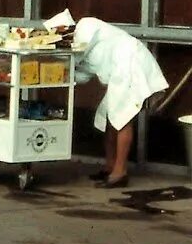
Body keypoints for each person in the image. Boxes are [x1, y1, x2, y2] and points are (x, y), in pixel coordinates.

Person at [47, 11, 169, 189]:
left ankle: (120, 172)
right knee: (107, 117)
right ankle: (110, 166)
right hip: (119, 74)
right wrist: (61, 74)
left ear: (66, 28)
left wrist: (63, 57)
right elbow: (83, 75)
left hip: (131, 67)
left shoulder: (87, 26)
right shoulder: (80, 49)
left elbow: (80, 51)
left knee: (121, 116)